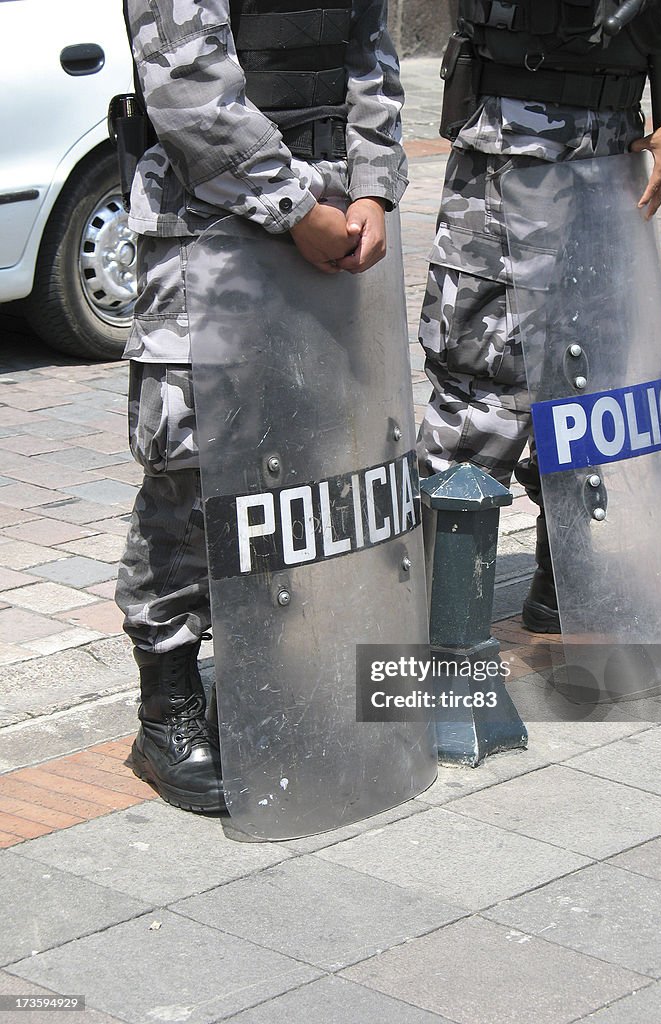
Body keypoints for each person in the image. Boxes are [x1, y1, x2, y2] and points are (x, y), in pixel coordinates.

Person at [115, 0, 408, 813]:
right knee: (192, 468)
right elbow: (185, 86)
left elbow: (370, 50)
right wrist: (295, 209)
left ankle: (263, 669)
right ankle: (168, 704)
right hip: (209, 227)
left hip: (332, 219)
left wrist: (375, 192)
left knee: (306, 451)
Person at [417, 0, 661, 633]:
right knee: (482, 382)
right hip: (508, 142)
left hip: (611, 147)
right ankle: (442, 633)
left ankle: (565, 580)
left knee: (593, 377)